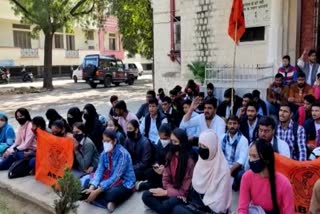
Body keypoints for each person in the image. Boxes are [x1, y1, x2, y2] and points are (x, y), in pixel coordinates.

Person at [172, 130, 232, 214]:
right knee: (176, 207)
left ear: (212, 147)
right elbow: (195, 192)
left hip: (211, 210)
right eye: (199, 145)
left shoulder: (223, 170)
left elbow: (219, 204)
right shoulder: (200, 163)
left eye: (204, 146)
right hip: (196, 206)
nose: (201, 149)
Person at [142, 128, 195, 214]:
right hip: (169, 190)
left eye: (175, 142)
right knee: (146, 195)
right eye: (171, 141)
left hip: (181, 196)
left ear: (182, 144)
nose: (172, 144)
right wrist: (166, 191)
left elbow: (184, 191)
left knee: (167, 205)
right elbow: (165, 178)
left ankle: (161, 208)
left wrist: (166, 192)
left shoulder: (189, 162)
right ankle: (163, 209)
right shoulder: (170, 155)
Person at [81, 130, 136, 212]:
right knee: (88, 184)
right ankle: (107, 202)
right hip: (109, 178)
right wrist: (92, 187)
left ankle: (109, 200)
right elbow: (99, 171)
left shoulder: (123, 154)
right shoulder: (104, 153)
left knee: (111, 195)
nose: (105, 143)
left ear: (114, 141)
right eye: (104, 141)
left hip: (124, 181)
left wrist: (97, 191)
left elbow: (116, 177)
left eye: (108, 141)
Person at [238, 139, 294, 214]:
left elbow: (289, 212)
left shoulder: (284, 183)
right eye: (250, 156)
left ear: (266, 159)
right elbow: (242, 209)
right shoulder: (246, 177)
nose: (251, 160)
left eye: (254, 156)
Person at [136, 124, 172, 191]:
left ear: (170, 136)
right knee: (147, 172)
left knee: (161, 183)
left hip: (168, 172)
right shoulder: (159, 142)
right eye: (160, 138)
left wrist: (165, 169)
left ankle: (145, 185)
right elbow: (157, 156)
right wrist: (156, 164)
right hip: (159, 168)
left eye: (164, 139)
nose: (162, 140)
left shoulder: (173, 146)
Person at [221, 116, 249, 191]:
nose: (232, 126)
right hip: (223, 166)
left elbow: (242, 159)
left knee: (242, 175)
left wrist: (230, 170)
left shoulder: (243, 140)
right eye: (230, 123)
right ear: (227, 125)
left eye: (234, 123)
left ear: (238, 125)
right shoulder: (222, 137)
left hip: (235, 168)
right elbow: (219, 154)